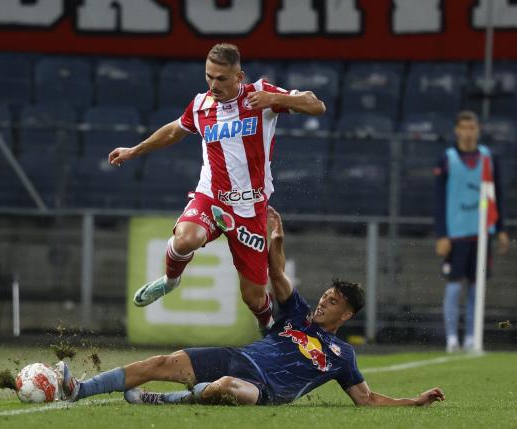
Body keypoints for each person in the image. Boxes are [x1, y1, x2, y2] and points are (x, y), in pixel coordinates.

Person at [56, 207, 445, 407]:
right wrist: (277, 238)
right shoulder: (298, 314)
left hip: (263, 389)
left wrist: (414, 401)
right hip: (236, 357)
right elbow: (276, 276)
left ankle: (168, 399)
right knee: (161, 363)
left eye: (334, 302)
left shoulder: (342, 356)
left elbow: (366, 399)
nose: (325, 302)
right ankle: (80, 389)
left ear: (347, 316)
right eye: (326, 296)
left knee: (224, 388)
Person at [108, 43, 325, 331]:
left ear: (239, 76)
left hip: (249, 207)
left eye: (221, 78)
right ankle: (171, 281)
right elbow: (175, 130)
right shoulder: (201, 104)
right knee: (185, 239)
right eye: (209, 76)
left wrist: (273, 97)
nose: (213, 84)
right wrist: (134, 150)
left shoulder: (261, 95)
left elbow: (316, 105)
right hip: (211, 198)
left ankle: (269, 328)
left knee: (253, 296)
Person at [434, 110, 510, 353]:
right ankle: (452, 339)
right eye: (463, 127)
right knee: (455, 286)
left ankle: (471, 338)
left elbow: (497, 194)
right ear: (456, 130)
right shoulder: (447, 158)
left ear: (477, 129)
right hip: (455, 233)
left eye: (472, 127)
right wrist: (441, 234)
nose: (468, 132)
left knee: (477, 288)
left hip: (481, 232)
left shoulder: (489, 157)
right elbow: (438, 198)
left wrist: (501, 230)